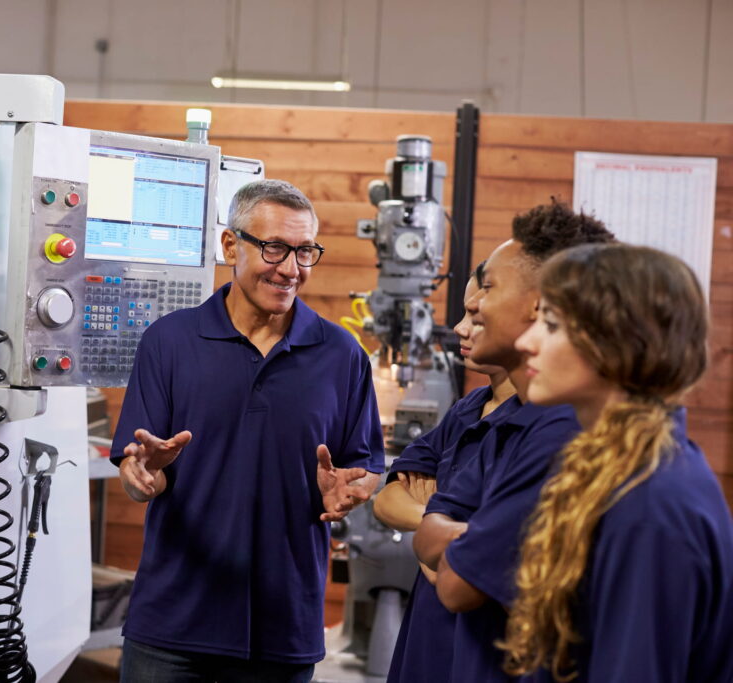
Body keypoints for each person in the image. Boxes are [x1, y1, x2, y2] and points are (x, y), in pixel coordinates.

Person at [110, 179, 385, 682]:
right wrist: (142, 474)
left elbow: (361, 466)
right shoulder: (169, 342)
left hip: (284, 628)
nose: (291, 268)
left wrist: (354, 489)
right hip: (174, 624)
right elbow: (135, 472)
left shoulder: (341, 355)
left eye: (305, 251)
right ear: (231, 245)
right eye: (275, 247)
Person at [499, 244, 733, 682]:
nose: (524, 342)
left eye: (550, 325)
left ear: (617, 342)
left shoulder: (649, 506)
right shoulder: (620, 465)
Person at [411, 200, 614, 681]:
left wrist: (459, 537)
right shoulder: (507, 417)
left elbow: (457, 583)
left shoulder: (564, 432)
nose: (474, 305)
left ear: (541, 303)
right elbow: (427, 534)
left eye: (488, 287)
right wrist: (471, 535)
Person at [374, 262, 518, 683]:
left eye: (476, 317)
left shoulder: (537, 426)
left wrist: (432, 527)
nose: (458, 328)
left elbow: (492, 555)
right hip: (427, 633)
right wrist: (436, 530)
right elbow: (387, 500)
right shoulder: (467, 410)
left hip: (481, 645)